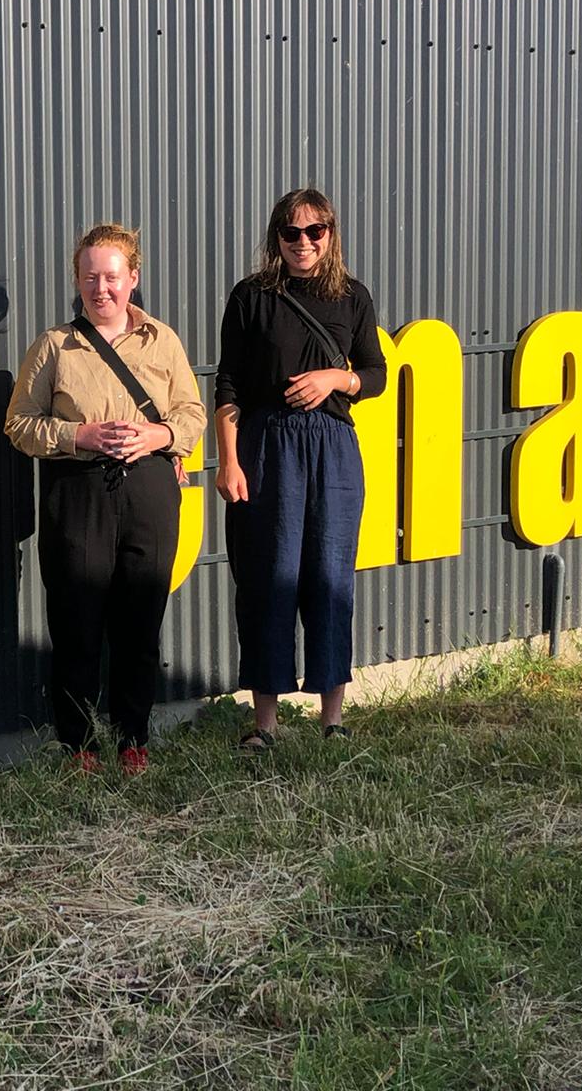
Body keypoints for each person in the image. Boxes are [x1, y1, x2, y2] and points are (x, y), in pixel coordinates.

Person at [5, 223, 205, 773]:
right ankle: (79, 746)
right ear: (77, 280)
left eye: (112, 276)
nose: (101, 288)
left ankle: (133, 739)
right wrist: (79, 436)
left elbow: (192, 413)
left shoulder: (162, 341)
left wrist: (158, 436)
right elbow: (19, 425)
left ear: (132, 279)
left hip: (149, 491)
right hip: (78, 492)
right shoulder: (54, 346)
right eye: (90, 277)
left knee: (141, 624)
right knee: (76, 627)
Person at [213, 188, 387, 749]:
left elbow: (376, 375)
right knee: (267, 579)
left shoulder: (353, 298)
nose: (304, 243)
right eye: (292, 233)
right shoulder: (250, 297)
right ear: (276, 238)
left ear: (331, 235)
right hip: (267, 447)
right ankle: (265, 726)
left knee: (330, 578)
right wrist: (228, 459)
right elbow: (230, 384)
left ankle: (332, 720)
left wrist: (335, 379)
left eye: (316, 232)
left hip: (333, 451)